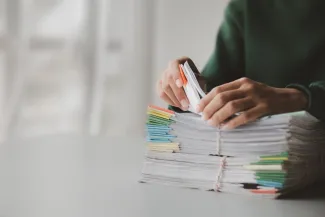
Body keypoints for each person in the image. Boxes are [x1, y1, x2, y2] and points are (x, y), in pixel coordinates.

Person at [156, 0, 325, 130]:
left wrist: (300, 98)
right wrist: (189, 87)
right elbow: (214, 99)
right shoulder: (247, 7)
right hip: (263, 163)